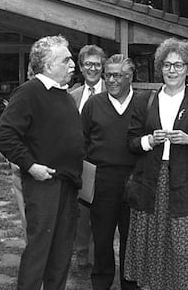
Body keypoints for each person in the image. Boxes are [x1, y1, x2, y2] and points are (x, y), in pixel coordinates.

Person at [124, 38, 188, 290]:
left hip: (186, 185)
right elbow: (131, 142)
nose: (172, 70)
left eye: (178, 65)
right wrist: (149, 140)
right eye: (167, 65)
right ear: (160, 67)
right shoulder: (144, 99)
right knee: (151, 243)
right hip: (150, 183)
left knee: (182, 245)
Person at [0, 35, 84, 290]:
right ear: (47, 65)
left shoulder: (64, 96)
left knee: (62, 251)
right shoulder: (30, 92)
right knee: (40, 251)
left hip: (67, 183)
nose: (72, 65)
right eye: (65, 60)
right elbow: (4, 135)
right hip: (44, 185)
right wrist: (31, 166)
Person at [81, 54, 139, 290]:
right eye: (108, 75)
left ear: (130, 77)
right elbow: (82, 143)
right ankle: (101, 282)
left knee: (131, 238)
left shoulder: (145, 104)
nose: (111, 80)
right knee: (102, 238)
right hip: (102, 181)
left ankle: (129, 282)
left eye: (118, 75)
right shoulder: (94, 104)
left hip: (135, 181)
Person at [70, 44, 106, 269]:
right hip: (82, 163)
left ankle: (99, 256)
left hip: (107, 162)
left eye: (97, 64)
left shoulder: (113, 91)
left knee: (104, 213)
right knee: (82, 212)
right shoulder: (71, 96)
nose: (93, 68)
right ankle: (82, 254)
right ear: (81, 68)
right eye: (88, 64)